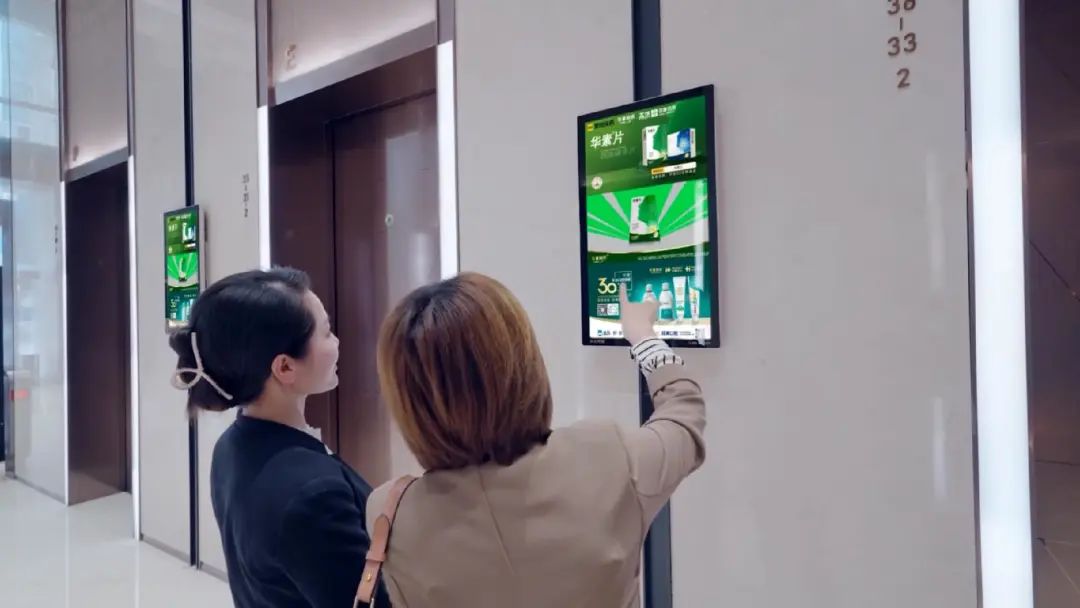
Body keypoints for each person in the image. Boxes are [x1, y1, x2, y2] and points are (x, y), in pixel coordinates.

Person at [367, 272, 706, 607]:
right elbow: (683, 415)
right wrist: (643, 336)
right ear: (522, 365)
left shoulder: (390, 515)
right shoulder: (609, 459)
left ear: (406, 401)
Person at [169, 268, 388, 607]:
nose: (337, 342)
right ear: (284, 367)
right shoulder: (313, 494)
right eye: (326, 332)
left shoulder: (230, 447)